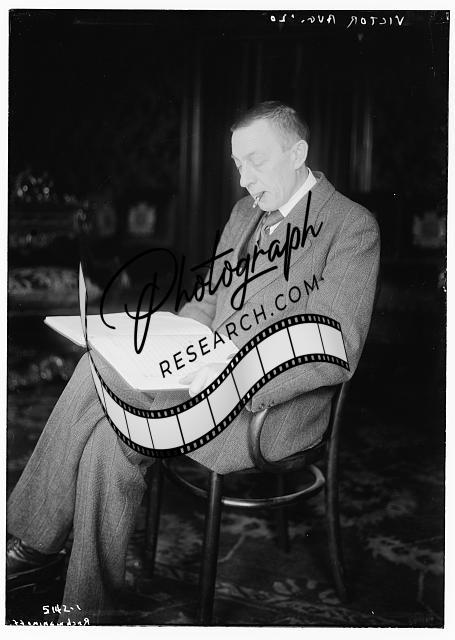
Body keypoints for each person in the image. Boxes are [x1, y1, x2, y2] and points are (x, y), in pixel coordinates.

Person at [7, 101, 380, 623]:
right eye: (238, 164)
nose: (244, 179)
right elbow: (207, 301)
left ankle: (31, 547)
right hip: (198, 382)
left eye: (256, 161)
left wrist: (237, 375)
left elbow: (334, 348)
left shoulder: (351, 225)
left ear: (298, 153)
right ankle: (86, 608)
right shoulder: (244, 213)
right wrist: (171, 341)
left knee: (97, 370)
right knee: (110, 432)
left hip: (271, 410)